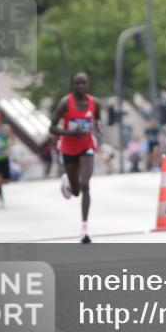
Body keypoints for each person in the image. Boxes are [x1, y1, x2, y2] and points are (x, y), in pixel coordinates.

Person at [49, 72, 102, 243]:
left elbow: (97, 119)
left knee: (86, 184)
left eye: (84, 83)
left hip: (87, 146)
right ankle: (67, 181)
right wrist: (69, 132)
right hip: (69, 149)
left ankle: (84, 229)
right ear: (73, 85)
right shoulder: (66, 103)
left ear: (88, 84)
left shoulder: (95, 103)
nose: (80, 86)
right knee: (77, 192)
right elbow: (52, 128)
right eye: (77, 83)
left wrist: (97, 128)